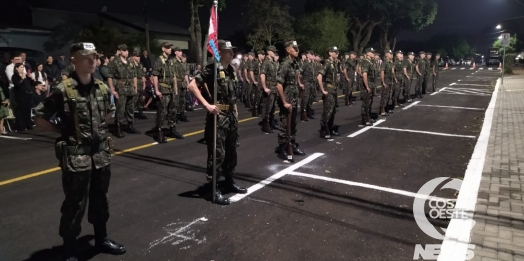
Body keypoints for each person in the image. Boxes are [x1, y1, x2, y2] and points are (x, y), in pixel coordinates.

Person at [34, 42, 126, 261]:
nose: (92, 61)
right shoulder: (63, 89)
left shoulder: (102, 87)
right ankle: (69, 249)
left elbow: (110, 112)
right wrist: (63, 131)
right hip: (77, 157)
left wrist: (96, 129)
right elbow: (39, 118)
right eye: (86, 57)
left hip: (100, 154)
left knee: (100, 198)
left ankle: (101, 238)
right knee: (75, 203)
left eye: (94, 57)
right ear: (74, 59)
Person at [187, 40, 247, 205]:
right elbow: (192, 86)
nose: (232, 54)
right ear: (220, 52)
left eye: (232, 51)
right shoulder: (212, 69)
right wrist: (207, 105)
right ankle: (214, 189)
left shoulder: (231, 71)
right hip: (218, 117)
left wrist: (235, 111)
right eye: (228, 51)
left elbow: (232, 95)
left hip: (231, 116)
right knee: (217, 154)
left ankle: (229, 181)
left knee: (231, 152)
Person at [275, 41, 306, 160]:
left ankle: (291, 144)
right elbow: (279, 84)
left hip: (293, 99)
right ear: (288, 50)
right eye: (295, 49)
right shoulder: (285, 64)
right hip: (287, 99)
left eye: (297, 49)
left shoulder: (294, 64)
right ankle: (282, 148)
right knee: (284, 125)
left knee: (292, 124)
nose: (297, 51)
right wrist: (284, 102)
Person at [152, 42, 184, 143]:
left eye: (170, 48)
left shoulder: (170, 61)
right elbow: (155, 76)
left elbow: (174, 76)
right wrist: (156, 90)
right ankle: (159, 131)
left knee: (173, 110)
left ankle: (172, 129)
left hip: (171, 90)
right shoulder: (159, 60)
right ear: (163, 49)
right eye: (167, 48)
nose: (170, 49)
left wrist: (175, 89)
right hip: (164, 89)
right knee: (162, 111)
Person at [107, 44, 140, 138]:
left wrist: (135, 88)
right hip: (120, 88)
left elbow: (134, 76)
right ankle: (118, 128)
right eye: (124, 50)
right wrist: (112, 89)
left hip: (130, 88)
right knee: (120, 109)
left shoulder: (130, 63)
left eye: (127, 50)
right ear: (120, 51)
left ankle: (130, 125)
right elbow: (110, 76)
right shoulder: (115, 62)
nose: (126, 52)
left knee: (131, 108)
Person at [317, 46, 340, 138]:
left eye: (337, 52)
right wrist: (323, 90)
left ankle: (330, 128)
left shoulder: (334, 63)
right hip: (329, 89)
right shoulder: (327, 63)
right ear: (330, 53)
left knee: (333, 110)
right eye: (335, 52)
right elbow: (319, 76)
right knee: (328, 111)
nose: (337, 54)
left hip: (334, 89)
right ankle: (324, 130)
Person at [259, 46, 279, 133]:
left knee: (272, 107)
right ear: (268, 52)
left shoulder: (273, 62)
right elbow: (262, 75)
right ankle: (266, 125)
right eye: (273, 51)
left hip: (274, 87)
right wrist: (264, 87)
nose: (274, 52)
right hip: (269, 87)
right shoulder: (266, 62)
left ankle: (271, 123)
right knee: (267, 107)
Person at [12, 63, 33, 131]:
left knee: (27, 110)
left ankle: (29, 125)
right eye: (21, 67)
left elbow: (32, 83)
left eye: (23, 67)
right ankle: (21, 126)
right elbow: (18, 85)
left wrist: (31, 78)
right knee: (21, 111)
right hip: (20, 95)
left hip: (28, 94)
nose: (22, 69)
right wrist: (22, 78)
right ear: (17, 68)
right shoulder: (15, 76)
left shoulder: (26, 75)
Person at [359, 48, 378, 127]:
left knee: (369, 103)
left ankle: (368, 117)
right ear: (368, 53)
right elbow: (364, 74)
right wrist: (367, 86)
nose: (374, 54)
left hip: (371, 85)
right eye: (372, 52)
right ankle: (365, 119)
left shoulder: (371, 62)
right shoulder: (365, 62)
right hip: (367, 85)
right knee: (366, 103)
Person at [173, 47, 190, 122]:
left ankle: (181, 114)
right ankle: (175, 116)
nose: (181, 53)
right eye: (179, 51)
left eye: (181, 51)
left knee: (182, 100)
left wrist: (188, 84)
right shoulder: (172, 62)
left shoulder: (183, 63)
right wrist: (175, 86)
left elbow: (186, 74)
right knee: (176, 100)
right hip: (177, 82)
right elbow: (173, 75)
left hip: (183, 83)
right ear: (175, 52)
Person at [131, 51, 148, 119]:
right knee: (134, 100)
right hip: (134, 84)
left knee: (141, 100)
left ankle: (140, 112)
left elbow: (143, 75)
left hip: (141, 84)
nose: (139, 58)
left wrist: (144, 84)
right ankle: (131, 115)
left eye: (139, 56)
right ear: (134, 57)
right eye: (137, 56)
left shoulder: (140, 65)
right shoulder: (131, 65)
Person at [380, 50, 394, 116]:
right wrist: (383, 82)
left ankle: (386, 108)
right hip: (386, 81)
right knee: (384, 96)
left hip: (390, 81)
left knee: (388, 96)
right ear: (386, 55)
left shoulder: (390, 62)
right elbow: (382, 72)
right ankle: (382, 110)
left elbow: (392, 72)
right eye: (390, 54)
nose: (392, 55)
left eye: (392, 53)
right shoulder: (384, 62)